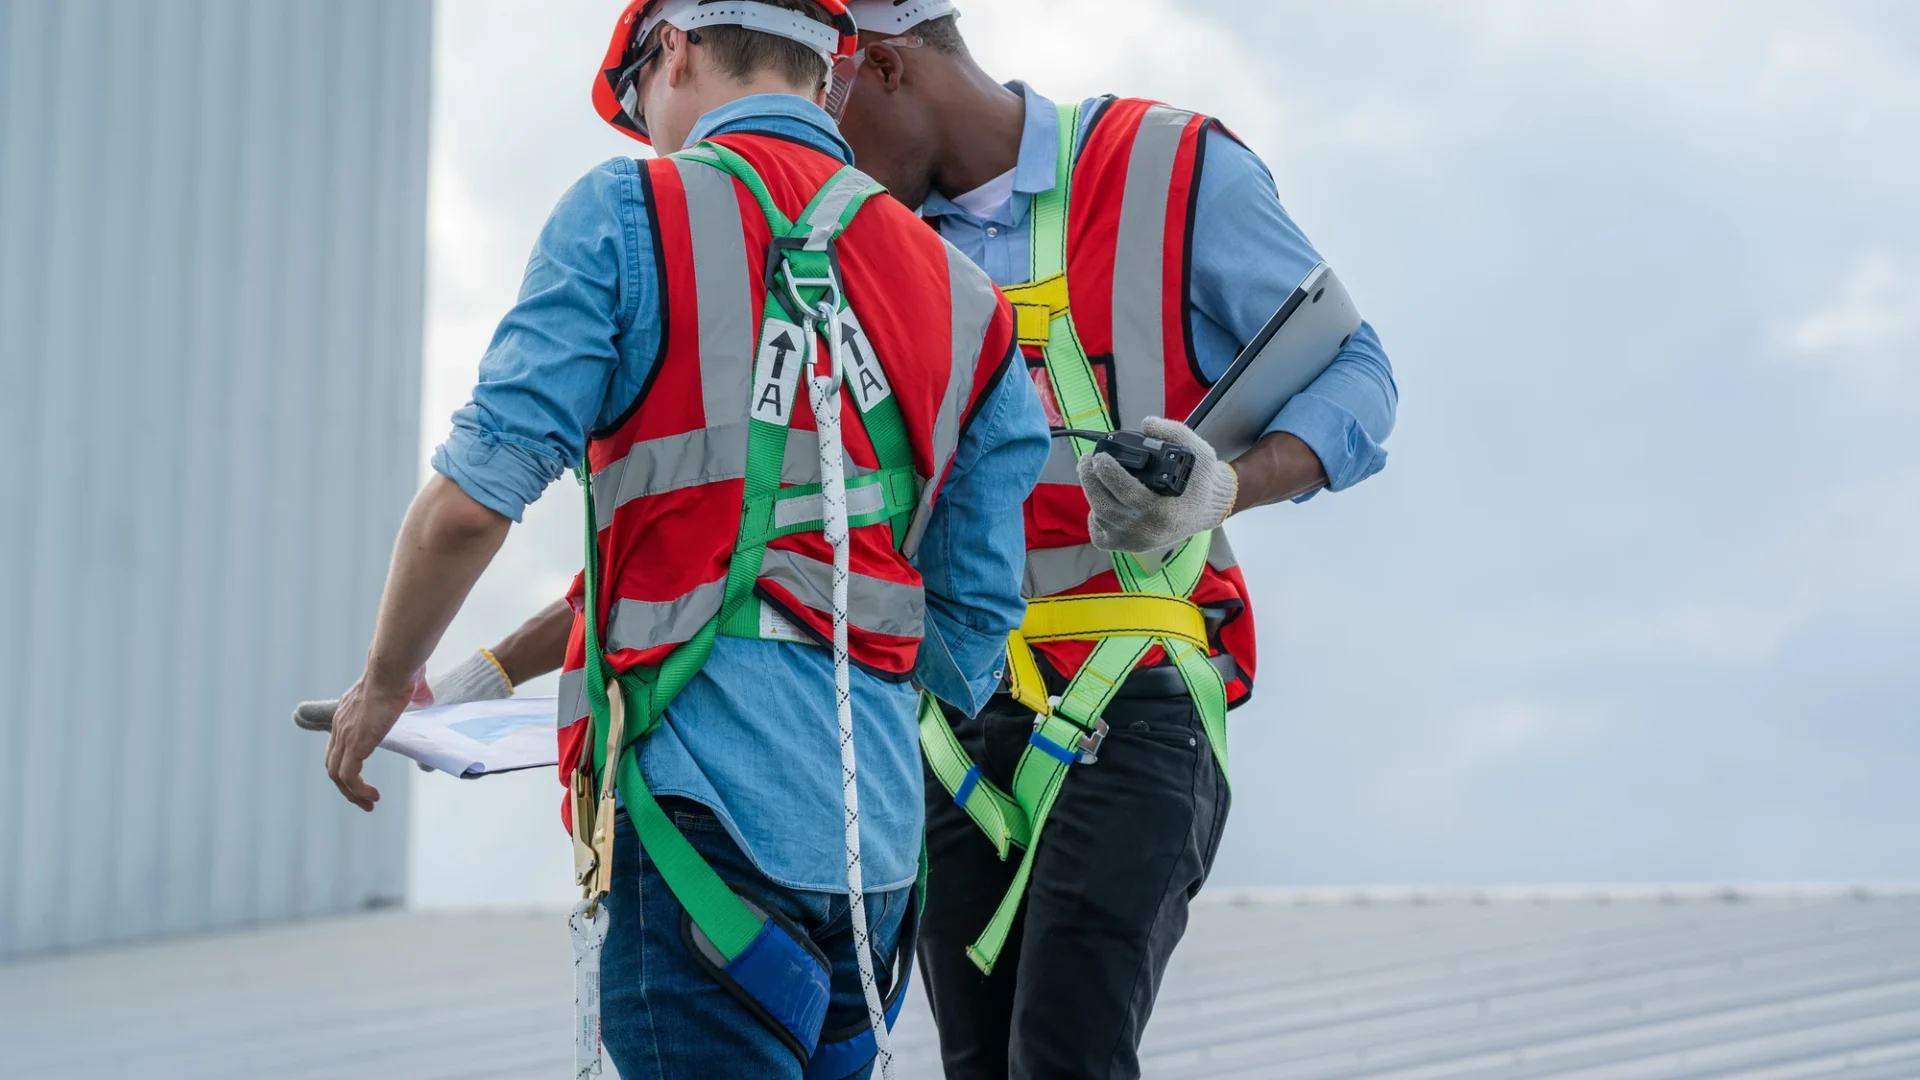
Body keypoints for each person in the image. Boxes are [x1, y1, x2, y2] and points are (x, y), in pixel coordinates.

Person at [320, 2, 1048, 1077]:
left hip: (698, 827)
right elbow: (973, 617)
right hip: (875, 855)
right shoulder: (968, 297)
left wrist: (385, 682)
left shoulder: (628, 212)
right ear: (826, 70)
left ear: (671, 49)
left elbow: (473, 502)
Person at [826, 3, 1402, 1076]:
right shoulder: (868, 248)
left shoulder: (1170, 171)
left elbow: (1358, 375)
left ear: (888, 67)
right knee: (983, 1063)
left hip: (1133, 692)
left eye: (828, 106)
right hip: (952, 719)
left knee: (1068, 1051)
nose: (819, 150)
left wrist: (1224, 486)